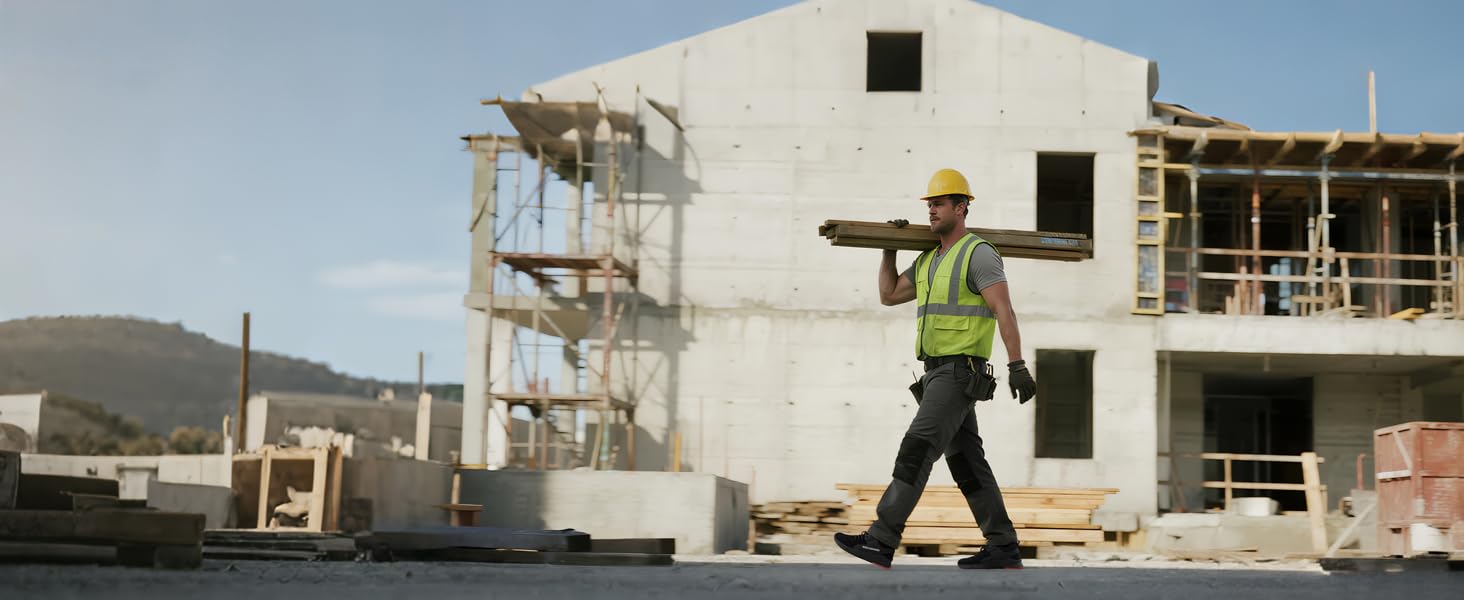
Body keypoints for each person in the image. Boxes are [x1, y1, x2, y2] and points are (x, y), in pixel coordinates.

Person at [834, 168, 1037, 570]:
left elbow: (1004, 310)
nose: (931, 210)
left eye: (939, 203)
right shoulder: (928, 260)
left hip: (959, 373)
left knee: (917, 449)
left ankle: (881, 536)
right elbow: (889, 295)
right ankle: (1002, 545)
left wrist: (1017, 365)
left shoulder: (978, 252)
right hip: (935, 374)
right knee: (966, 462)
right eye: (929, 204)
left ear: (961, 207)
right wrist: (888, 246)